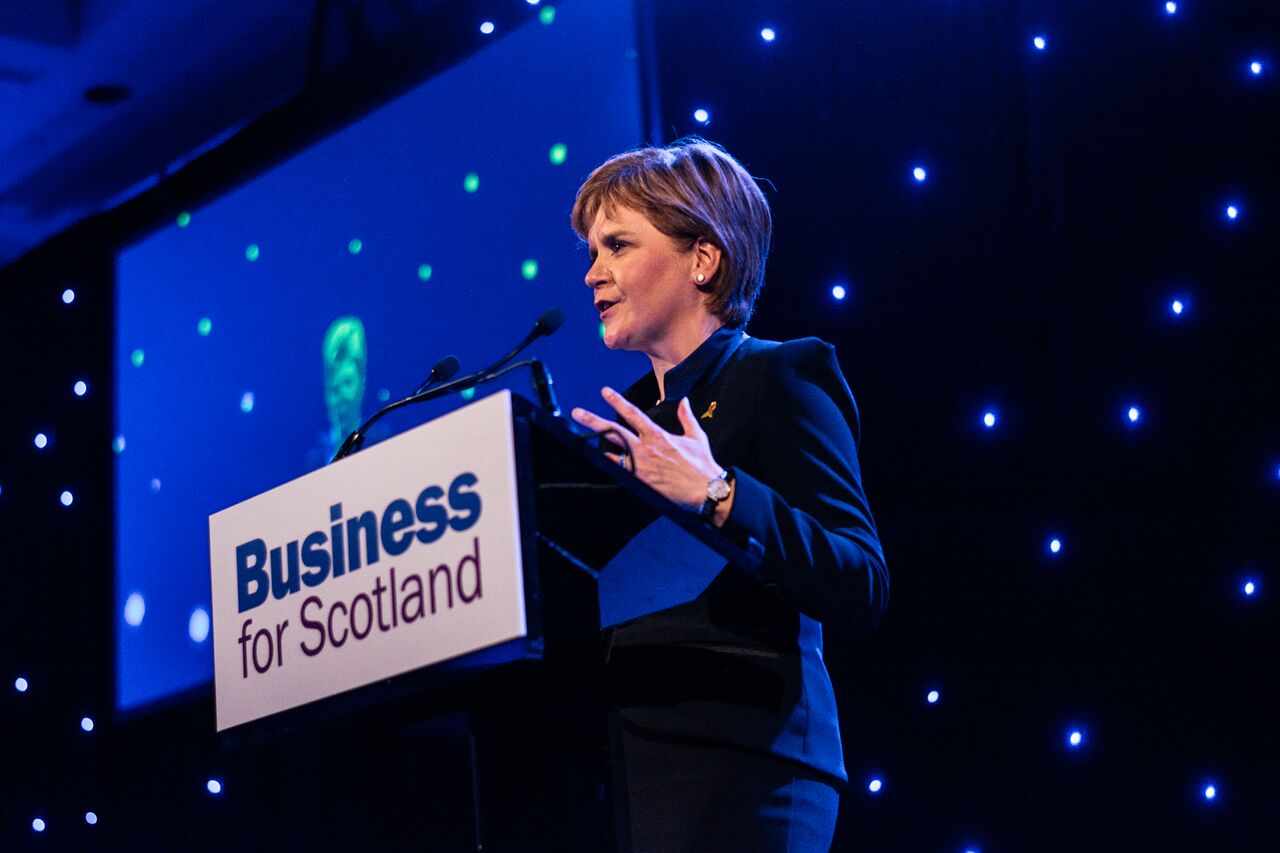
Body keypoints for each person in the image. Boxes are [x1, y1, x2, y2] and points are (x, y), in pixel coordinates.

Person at [569, 137, 890, 853]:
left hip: (746, 758)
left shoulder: (778, 376)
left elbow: (861, 579)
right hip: (615, 764)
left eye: (617, 245)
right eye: (591, 252)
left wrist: (717, 493)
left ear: (703, 259)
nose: (592, 274)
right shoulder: (626, 426)